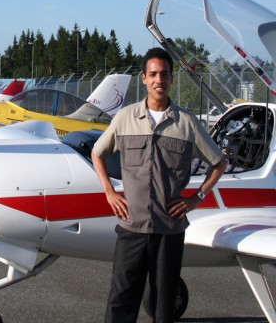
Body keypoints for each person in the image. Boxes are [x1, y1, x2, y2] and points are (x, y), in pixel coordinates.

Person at [91, 47, 227, 323]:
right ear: (144, 78)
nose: (158, 80)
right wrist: (109, 191)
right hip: (132, 227)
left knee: (164, 304)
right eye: (153, 74)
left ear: (171, 79)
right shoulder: (125, 118)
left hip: (169, 230)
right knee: (120, 302)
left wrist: (197, 197)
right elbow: (97, 153)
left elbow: (219, 162)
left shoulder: (187, 123)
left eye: (164, 74)